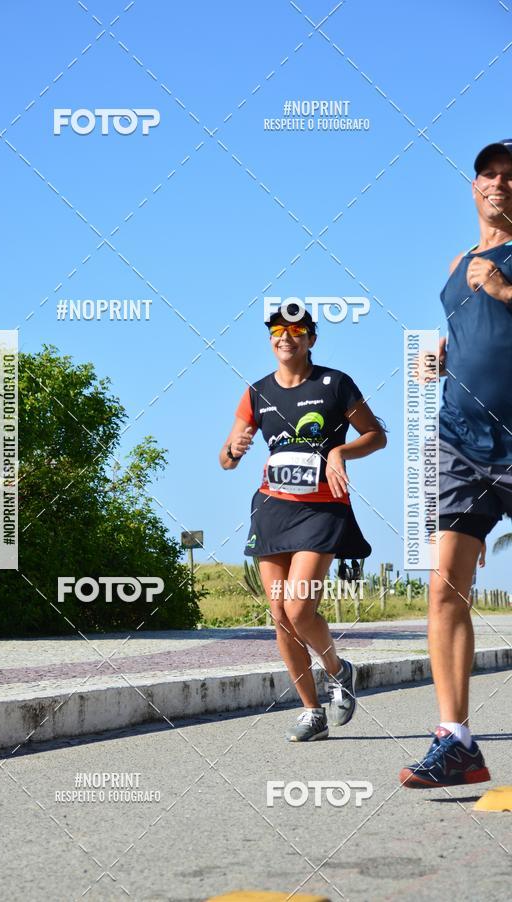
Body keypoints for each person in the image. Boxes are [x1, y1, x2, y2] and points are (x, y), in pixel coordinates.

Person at [219, 303, 387, 741]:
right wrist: (235, 449)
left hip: (322, 510)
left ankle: (337, 669)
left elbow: (376, 435)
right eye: (277, 329)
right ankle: (312, 712)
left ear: (311, 339)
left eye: (296, 330)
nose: (285, 336)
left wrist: (340, 451)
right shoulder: (256, 392)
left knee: (299, 608)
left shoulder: (335, 384)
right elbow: (225, 460)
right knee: (278, 614)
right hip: (273, 510)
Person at [400, 139, 512, 788]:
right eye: (489, 173)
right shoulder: (457, 263)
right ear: (474, 186)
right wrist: (441, 359)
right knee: (446, 584)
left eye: (510, 176)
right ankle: (457, 739)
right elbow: (474, 333)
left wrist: (503, 288)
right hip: (462, 440)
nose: (499, 183)